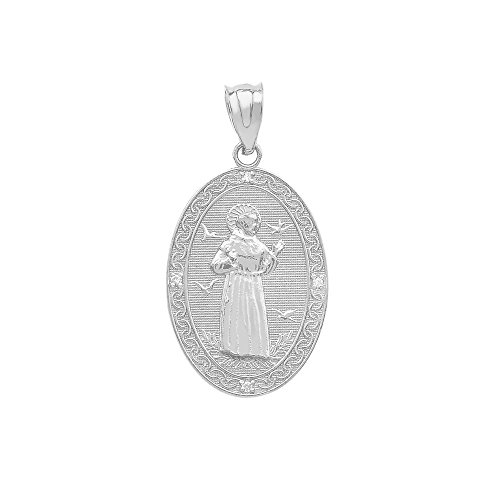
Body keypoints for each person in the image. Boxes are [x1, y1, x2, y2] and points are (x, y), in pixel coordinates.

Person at [211, 204, 284, 357]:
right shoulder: (230, 244)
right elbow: (216, 266)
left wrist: (275, 253)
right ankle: (234, 348)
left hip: (254, 286)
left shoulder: (259, 246)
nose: (257, 225)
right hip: (236, 284)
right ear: (244, 224)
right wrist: (231, 262)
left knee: (254, 314)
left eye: (257, 222)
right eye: (254, 222)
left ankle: (255, 350)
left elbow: (265, 268)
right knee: (237, 314)